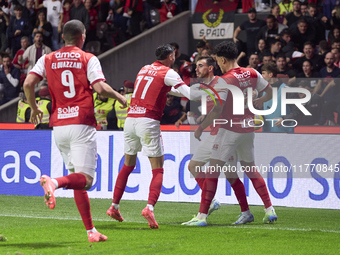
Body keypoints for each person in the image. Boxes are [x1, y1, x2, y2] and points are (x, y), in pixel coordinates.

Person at [23, 20, 127, 243]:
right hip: (81, 122)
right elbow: (99, 87)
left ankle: (91, 231)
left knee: (77, 179)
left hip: (59, 126)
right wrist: (118, 96)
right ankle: (54, 182)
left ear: (63, 37)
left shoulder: (47, 58)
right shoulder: (88, 58)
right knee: (86, 180)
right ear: (83, 36)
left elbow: (28, 83)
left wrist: (33, 107)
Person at [106, 44, 202, 229]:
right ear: (171, 56)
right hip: (148, 121)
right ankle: (149, 207)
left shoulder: (144, 68)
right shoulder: (169, 72)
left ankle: (114, 206)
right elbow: (189, 94)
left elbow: (161, 89)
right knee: (157, 170)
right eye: (174, 55)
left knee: (128, 165)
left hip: (131, 119)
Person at [182, 41, 277, 226]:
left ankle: (201, 216)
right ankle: (268, 210)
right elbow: (270, 92)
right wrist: (260, 101)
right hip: (248, 127)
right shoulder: (252, 72)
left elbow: (218, 110)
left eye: (218, 61)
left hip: (229, 129)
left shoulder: (225, 80)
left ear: (223, 59)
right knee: (250, 169)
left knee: (212, 171)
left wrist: (201, 127)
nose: (218, 64)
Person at [261, 62, 294, 132]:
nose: (261, 76)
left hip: (285, 135)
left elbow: (297, 111)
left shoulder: (287, 90)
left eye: (263, 73)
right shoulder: (264, 91)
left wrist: (284, 119)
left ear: (270, 75)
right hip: (267, 134)